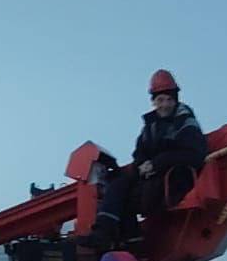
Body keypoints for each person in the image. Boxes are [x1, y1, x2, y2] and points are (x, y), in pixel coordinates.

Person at [86, 69, 208, 248]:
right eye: (160, 100)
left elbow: (194, 155)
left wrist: (156, 164)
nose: (164, 104)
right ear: (153, 101)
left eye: (169, 99)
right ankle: (107, 232)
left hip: (175, 180)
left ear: (175, 100)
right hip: (153, 175)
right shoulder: (150, 127)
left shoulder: (186, 123)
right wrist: (142, 165)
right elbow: (139, 152)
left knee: (127, 197)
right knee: (118, 184)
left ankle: (127, 238)